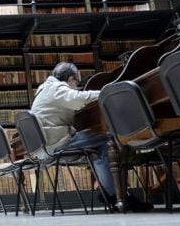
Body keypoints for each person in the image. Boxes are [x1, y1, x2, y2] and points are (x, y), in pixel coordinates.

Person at [30, 61, 152, 212]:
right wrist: (106, 93)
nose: (77, 86)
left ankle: (112, 194)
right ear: (71, 79)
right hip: (56, 144)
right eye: (77, 83)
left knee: (97, 147)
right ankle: (118, 196)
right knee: (107, 140)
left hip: (46, 146)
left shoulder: (43, 89)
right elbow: (78, 99)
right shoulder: (56, 88)